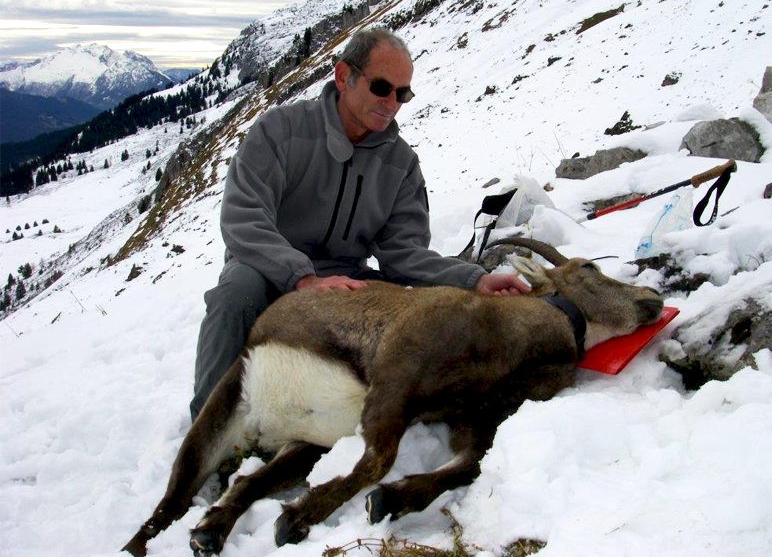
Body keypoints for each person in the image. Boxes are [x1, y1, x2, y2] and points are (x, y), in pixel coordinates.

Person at [190, 27, 530, 420]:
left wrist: (474, 279)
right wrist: (304, 278)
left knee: (417, 315)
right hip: (268, 271)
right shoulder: (279, 131)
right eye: (382, 87)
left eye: (403, 93)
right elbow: (243, 218)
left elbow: (404, 254)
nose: (392, 103)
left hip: (347, 282)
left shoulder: (401, 165)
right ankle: (210, 425)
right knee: (237, 291)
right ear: (342, 77)